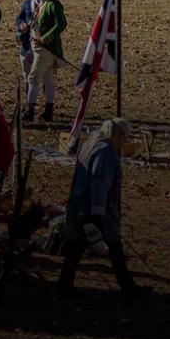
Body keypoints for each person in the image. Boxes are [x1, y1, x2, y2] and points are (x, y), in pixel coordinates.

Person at [57, 118, 151, 301]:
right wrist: (96, 213)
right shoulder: (106, 153)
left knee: (78, 248)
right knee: (113, 247)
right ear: (119, 135)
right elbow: (100, 184)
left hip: (80, 206)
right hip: (95, 210)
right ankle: (128, 289)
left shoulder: (91, 144)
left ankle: (64, 284)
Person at [17, 0, 65, 121]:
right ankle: (48, 111)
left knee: (33, 77)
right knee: (48, 79)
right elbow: (21, 19)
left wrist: (44, 38)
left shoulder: (53, 4)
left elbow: (61, 24)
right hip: (36, 46)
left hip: (46, 48)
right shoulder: (41, 2)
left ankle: (29, 111)